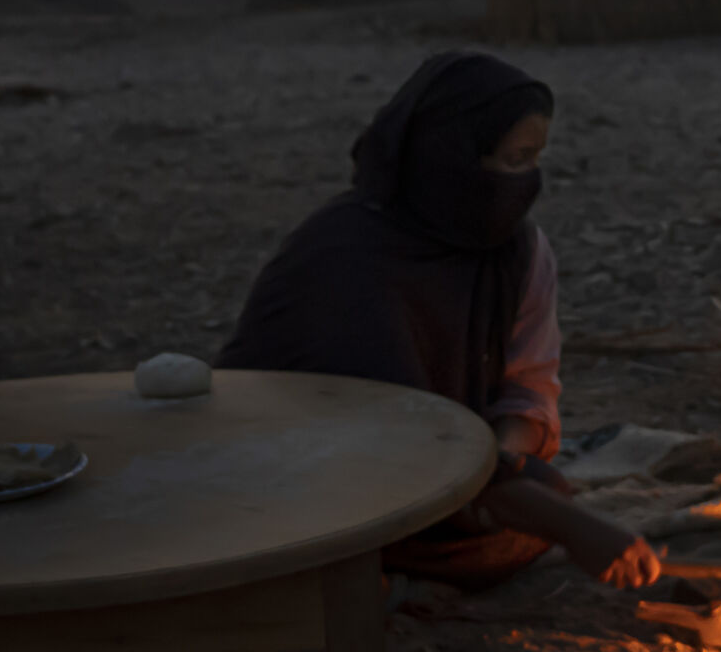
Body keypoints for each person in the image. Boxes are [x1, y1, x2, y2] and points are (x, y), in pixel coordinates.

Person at [217, 52, 662, 592]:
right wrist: (568, 526)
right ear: (449, 157)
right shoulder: (344, 255)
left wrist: (497, 463)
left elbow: (527, 389)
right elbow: (389, 439)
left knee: (542, 491)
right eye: (514, 159)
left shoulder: (516, 252)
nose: (527, 181)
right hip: (322, 478)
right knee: (525, 515)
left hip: (452, 474)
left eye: (534, 160)